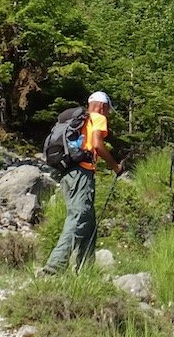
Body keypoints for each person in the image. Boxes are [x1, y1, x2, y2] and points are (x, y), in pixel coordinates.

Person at [40, 91, 123, 274]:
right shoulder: (97, 117)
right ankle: (55, 265)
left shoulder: (81, 121)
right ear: (102, 106)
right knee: (78, 216)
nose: (108, 113)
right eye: (108, 109)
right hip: (82, 173)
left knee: (89, 221)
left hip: (69, 173)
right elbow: (98, 144)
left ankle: (85, 269)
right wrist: (116, 167)